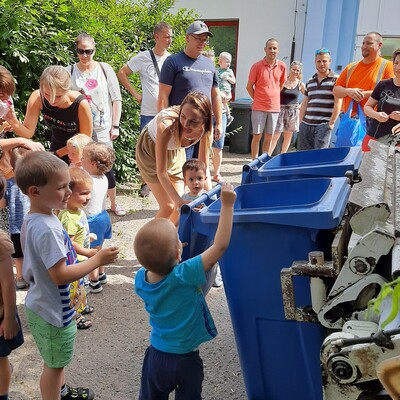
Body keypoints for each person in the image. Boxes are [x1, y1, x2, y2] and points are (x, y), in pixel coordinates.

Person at [15, 151, 119, 400]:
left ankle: (61, 392)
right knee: (54, 365)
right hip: (51, 311)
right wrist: (97, 260)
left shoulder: (37, 219)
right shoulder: (47, 229)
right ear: (34, 192)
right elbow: (60, 275)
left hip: (47, 304)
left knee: (56, 360)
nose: (69, 193)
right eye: (62, 188)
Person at [134, 182, 236, 400]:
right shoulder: (184, 274)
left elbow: (157, 257)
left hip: (157, 357)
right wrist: (227, 205)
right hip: (186, 359)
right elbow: (220, 246)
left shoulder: (140, 280)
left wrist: (173, 247)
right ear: (179, 255)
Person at [68, 33, 125, 217]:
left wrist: (115, 125)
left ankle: (113, 203)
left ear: (94, 50)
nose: (85, 55)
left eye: (88, 51)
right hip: (81, 130)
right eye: (81, 51)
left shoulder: (104, 68)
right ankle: (85, 205)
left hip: (103, 127)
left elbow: (116, 98)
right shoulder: (69, 71)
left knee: (105, 167)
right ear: (76, 50)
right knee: (80, 166)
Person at [0, 65, 45, 289]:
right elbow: (22, 140)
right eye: (1, 95)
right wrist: (19, 142)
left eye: (8, 94)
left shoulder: (5, 104)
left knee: (17, 220)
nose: (5, 98)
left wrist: (11, 121)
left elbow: (26, 133)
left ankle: (21, 273)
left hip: (8, 170)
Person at [136, 91, 213, 223]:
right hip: (150, 150)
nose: (186, 125)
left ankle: (167, 239)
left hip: (175, 150)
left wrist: (210, 195)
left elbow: (202, 166)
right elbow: (161, 172)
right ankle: (147, 240)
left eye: (193, 121)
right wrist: (178, 201)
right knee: (169, 206)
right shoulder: (166, 125)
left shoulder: (205, 130)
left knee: (179, 210)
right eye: (183, 117)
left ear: (204, 120)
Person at [118, 22, 173, 198]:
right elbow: (122, 73)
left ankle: (165, 180)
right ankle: (146, 183)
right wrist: (136, 94)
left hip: (166, 112)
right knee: (146, 149)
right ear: (156, 37)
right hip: (148, 111)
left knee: (167, 147)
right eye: (166, 36)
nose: (169, 40)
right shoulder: (143, 57)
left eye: (170, 36)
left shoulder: (172, 59)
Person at [158, 20, 223, 160]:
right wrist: (163, 123)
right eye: (198, 38)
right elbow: (163, 95)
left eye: (205, 40)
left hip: (204, 126)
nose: (202, 42)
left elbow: (215, 95)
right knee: (180, 168)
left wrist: (219, 122)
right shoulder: (172, 61)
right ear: (187, 38)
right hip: (182, 126)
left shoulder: (209, 64)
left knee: (200, 169)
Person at [3, 66, 93, 163]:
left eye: (58, 96)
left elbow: (84, 141)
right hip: (57, 146)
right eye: (47, 94)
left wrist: (56, 154)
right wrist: (12, 120)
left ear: (67, 90)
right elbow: (28, 133)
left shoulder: (80, 104)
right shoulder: (37, 97)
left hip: (80, 151)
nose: (52, 101)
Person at [58, 167, 96, 329]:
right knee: (74, 291)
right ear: (68, 193)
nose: (88, 197)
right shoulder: (68, 217)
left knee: (82, 287)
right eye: (83, 193)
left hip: (81, 260)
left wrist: (88, 236)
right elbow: (69, 243)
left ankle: (81, 306)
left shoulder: (77, 211)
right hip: (75, 263)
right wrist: (87, 251)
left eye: (89, 193)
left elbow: (78, 233)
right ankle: (76, 315)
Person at [181, 159, 223, 290]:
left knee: (210, 252)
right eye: (191, 179)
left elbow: (214, 213)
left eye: (199, 178)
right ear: (185, 181)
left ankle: (215, 274)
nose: (196, 183)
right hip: (192, 233)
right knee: (194, 256)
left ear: (205, 179)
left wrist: (203, 210)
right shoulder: (184, 198)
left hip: (207, 234)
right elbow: (181, 215)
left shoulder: (209, 196)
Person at [0, 175, 24, 400]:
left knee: (0, 360)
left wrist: (8, 318)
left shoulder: (0, 240)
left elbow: (8, 282)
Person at [81, 142, 115, 293]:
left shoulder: (88, 181)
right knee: (99, 248)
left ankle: (93, 281)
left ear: (93, 164)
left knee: (92, 253)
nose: (81, 161)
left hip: (92, 219)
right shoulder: (104, 177)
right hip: (103, 217)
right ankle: (101, 274)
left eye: (83, 159)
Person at [333, 32, 394, 118]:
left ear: (379, 45)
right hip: (348, 120)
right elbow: (336, 91)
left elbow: (390, 92)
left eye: (369, 43)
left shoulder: (388, 66)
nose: (364, 46)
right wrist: (349, 91)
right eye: (363, 43)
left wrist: (363, 94)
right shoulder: (351, 67)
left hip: (372, 120)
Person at [246, 38, 287, 159]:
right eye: (270, 48)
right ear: (265, 49)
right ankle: (254, 161)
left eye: (274, 48)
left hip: (274, 107)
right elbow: (249, 87)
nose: (272, 50)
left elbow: (281, 84)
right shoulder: (257, 66)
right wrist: (258, 98)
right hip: (259, 107)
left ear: (278, 50)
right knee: (257, 135)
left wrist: (272, 96)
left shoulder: (282, 66)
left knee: (269, 136)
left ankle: (263, 161)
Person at [297, 48, 341, 150]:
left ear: (330, 61)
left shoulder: (337, 80)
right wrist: (301, 122)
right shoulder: (310, 81)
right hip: (306, 125)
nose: (321, 64)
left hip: (323, 126)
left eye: (324, 61)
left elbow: (338, 103)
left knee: (319, 157)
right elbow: (305, 102)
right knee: (303, 156)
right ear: (315, 62)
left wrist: (331, 123)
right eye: (319, 61)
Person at [362, 48, 400, 151]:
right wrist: (376, 115)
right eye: (396, 63)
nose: (398, 67)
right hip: (375, 138)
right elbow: (367, 107)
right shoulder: (383, 85)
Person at [273, 61, 305, 154]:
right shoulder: (283, 81)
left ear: (300, 72)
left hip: (293, 112)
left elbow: (308, 96)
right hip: (280, 110)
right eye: (293, 69)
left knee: (288, 136)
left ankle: (282, 156)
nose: (295, 72)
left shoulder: (300, 84)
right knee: (276, 135)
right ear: (290, 69)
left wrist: (301, 105)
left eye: (297, 70)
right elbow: (275, 94)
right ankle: (267, 156)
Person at [217, 52, 236, 127]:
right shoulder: (217, 70)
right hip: (219, 90)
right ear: (220, 62)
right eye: (227, 62)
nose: (229, 64)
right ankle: (228, 116)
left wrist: (228, 78)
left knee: (222, 102)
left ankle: (226, 116)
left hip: (226, 91)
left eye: (230, 62)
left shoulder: (229, 71)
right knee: (223, 103)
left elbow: (234, 81)